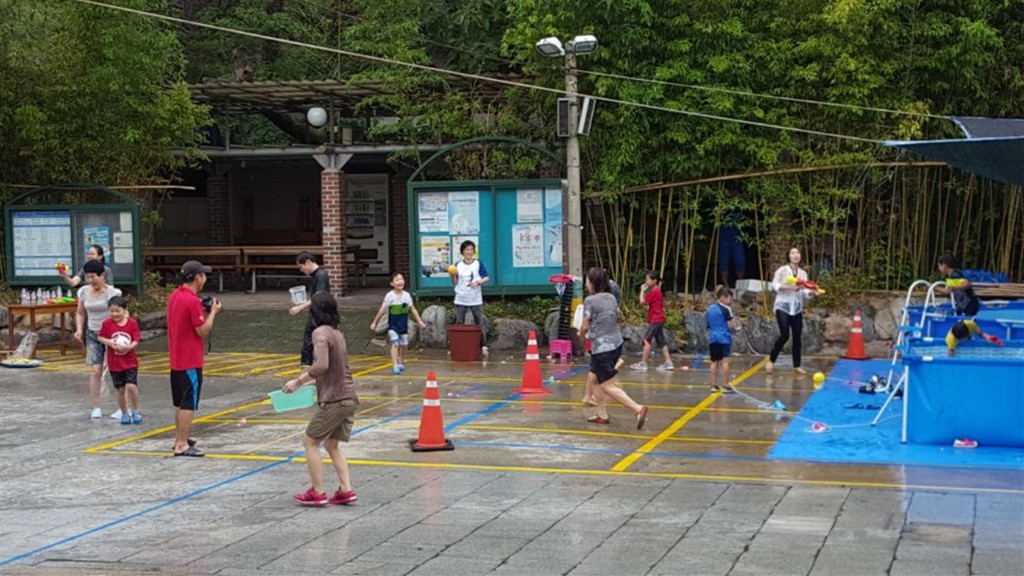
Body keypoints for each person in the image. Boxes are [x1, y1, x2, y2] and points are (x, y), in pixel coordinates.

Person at [283, 292, 359, 507]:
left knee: (310, 441)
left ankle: (317, 492)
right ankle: (346, 490)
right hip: (348, 397)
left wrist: (297, 381)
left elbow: (321, 365)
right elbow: (331, 369)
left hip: (335, 399)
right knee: (332, 444)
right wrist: (309, 383)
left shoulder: (320, 333)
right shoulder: (337, 333)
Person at [580, 267, 649, 429]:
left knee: (607, 385)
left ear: (592, 283)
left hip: (602, 348)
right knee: (594, 379)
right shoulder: (611, 297)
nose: (586, 283)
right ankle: (602, 414)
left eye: (587, 280)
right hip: (616, 344)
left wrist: (581, 337)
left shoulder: (590, 301)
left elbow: (584, 326)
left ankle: (637, 408)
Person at [167, 260, 221, 457]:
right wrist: (212, 313)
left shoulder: (175, 296)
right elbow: (202, 331)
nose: (205, 279)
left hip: (176, 358)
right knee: (189, 403)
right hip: (190, 359)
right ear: (198, 277)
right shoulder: (191, 301)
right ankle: (182, 443)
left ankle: (179, 438)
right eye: (204, 275)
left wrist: (203, 311)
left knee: (179, 402)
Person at [73, 260, 122, 419]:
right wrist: (79, 329)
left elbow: (121, 315)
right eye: (88, 277)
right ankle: (96, 406)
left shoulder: (113, 293)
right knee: (96, 370)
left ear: (102, 276)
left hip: (111, 335)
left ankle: (122, 406)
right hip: (92, 334)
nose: (91, 280)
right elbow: (80, 313)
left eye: (94, 277)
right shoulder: (83, 292)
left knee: (116, 371)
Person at [766, 247, 816, 375]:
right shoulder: (782, 270)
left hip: (797, 307)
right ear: (788, 256)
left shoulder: (803, 274)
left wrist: (811, 293)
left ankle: (797, 365)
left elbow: (804, 292)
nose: (796, 255)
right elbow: (774, 285)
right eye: (793, 253)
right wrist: (788, 287)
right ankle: (771, 360)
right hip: (783, 306)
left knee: (797, 336)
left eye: (798, 253)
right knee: (784, 335)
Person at [97, 296, 142, 424]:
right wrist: (110, 342)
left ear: (124, 310)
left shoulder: (132, 323)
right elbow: (100, 337)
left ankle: (136, 411)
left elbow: (136, 339)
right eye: (111, 311)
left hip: (130, 362)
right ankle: (124, 413)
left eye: (118, 311)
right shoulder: (106, 324)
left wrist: (129, 347)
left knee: (132, 386)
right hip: (115, 364)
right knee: (120, 390)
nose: (115, 314)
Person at [370, 273, 426, 375]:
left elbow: (412, 309)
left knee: (404, 344)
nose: (400, 282)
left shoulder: (407, 296)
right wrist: (375, 322)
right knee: (395, 343)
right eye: (397, 280)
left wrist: (420, 321)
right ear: (392, 283)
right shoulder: (390, 296)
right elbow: (382, 309)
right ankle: (395, 364)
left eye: (401, 279)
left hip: (403, 324)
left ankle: (401, 360)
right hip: (393, 325)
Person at [450, 240, 490, 357]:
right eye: (467, 249)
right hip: (461, 297)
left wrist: (478, 282)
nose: (469, 252)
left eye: (471, 249)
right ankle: (458, 345)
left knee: (479, 322)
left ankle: (483, 345)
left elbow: (486, 277)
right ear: (462, 251)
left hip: (475, 298)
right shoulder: (457, 265)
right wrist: (453, 275)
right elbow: (455, 282)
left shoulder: (478, 263)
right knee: (459, 322)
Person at [291, 252, 331, 367]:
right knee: (312, 338)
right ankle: (308, 363)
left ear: (308, 262)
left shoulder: (320, 276)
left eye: (301, 267)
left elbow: (318, 296)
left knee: (311, 339)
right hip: (318, 312)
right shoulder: (318, 275)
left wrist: (300, 307)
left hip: (320, 313)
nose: (301, 270)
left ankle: (307, 363)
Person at [631, 271, 673, 371]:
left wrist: (642, 290)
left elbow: (642, 301)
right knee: (661, 341)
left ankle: (643, 363)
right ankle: (668, 362)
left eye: (647, 280)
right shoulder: (656, 290)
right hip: (658, 318)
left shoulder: (654, 290)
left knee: (646, 340)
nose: (646, 282)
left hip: (656, 319)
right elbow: (650, 304)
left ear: (654, 281)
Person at [707, 287, 737, 393]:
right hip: (724, 338)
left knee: (714, 361)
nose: (730, 302)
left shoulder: (710, 309)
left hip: (713, 338)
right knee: (725, 362)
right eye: (729, 299)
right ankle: (725, 385)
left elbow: (709, 325)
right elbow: (729, 325)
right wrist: (735, 329)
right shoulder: (726, 309)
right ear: (723, 297)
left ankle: (713, 385)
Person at [718, 212, 746, 288]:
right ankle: (725, 284)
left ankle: (740, 282)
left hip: (736, 235)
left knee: (739, 259)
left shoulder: (739, 207)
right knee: (724, 259)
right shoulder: (722, 208)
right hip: (725, 235)